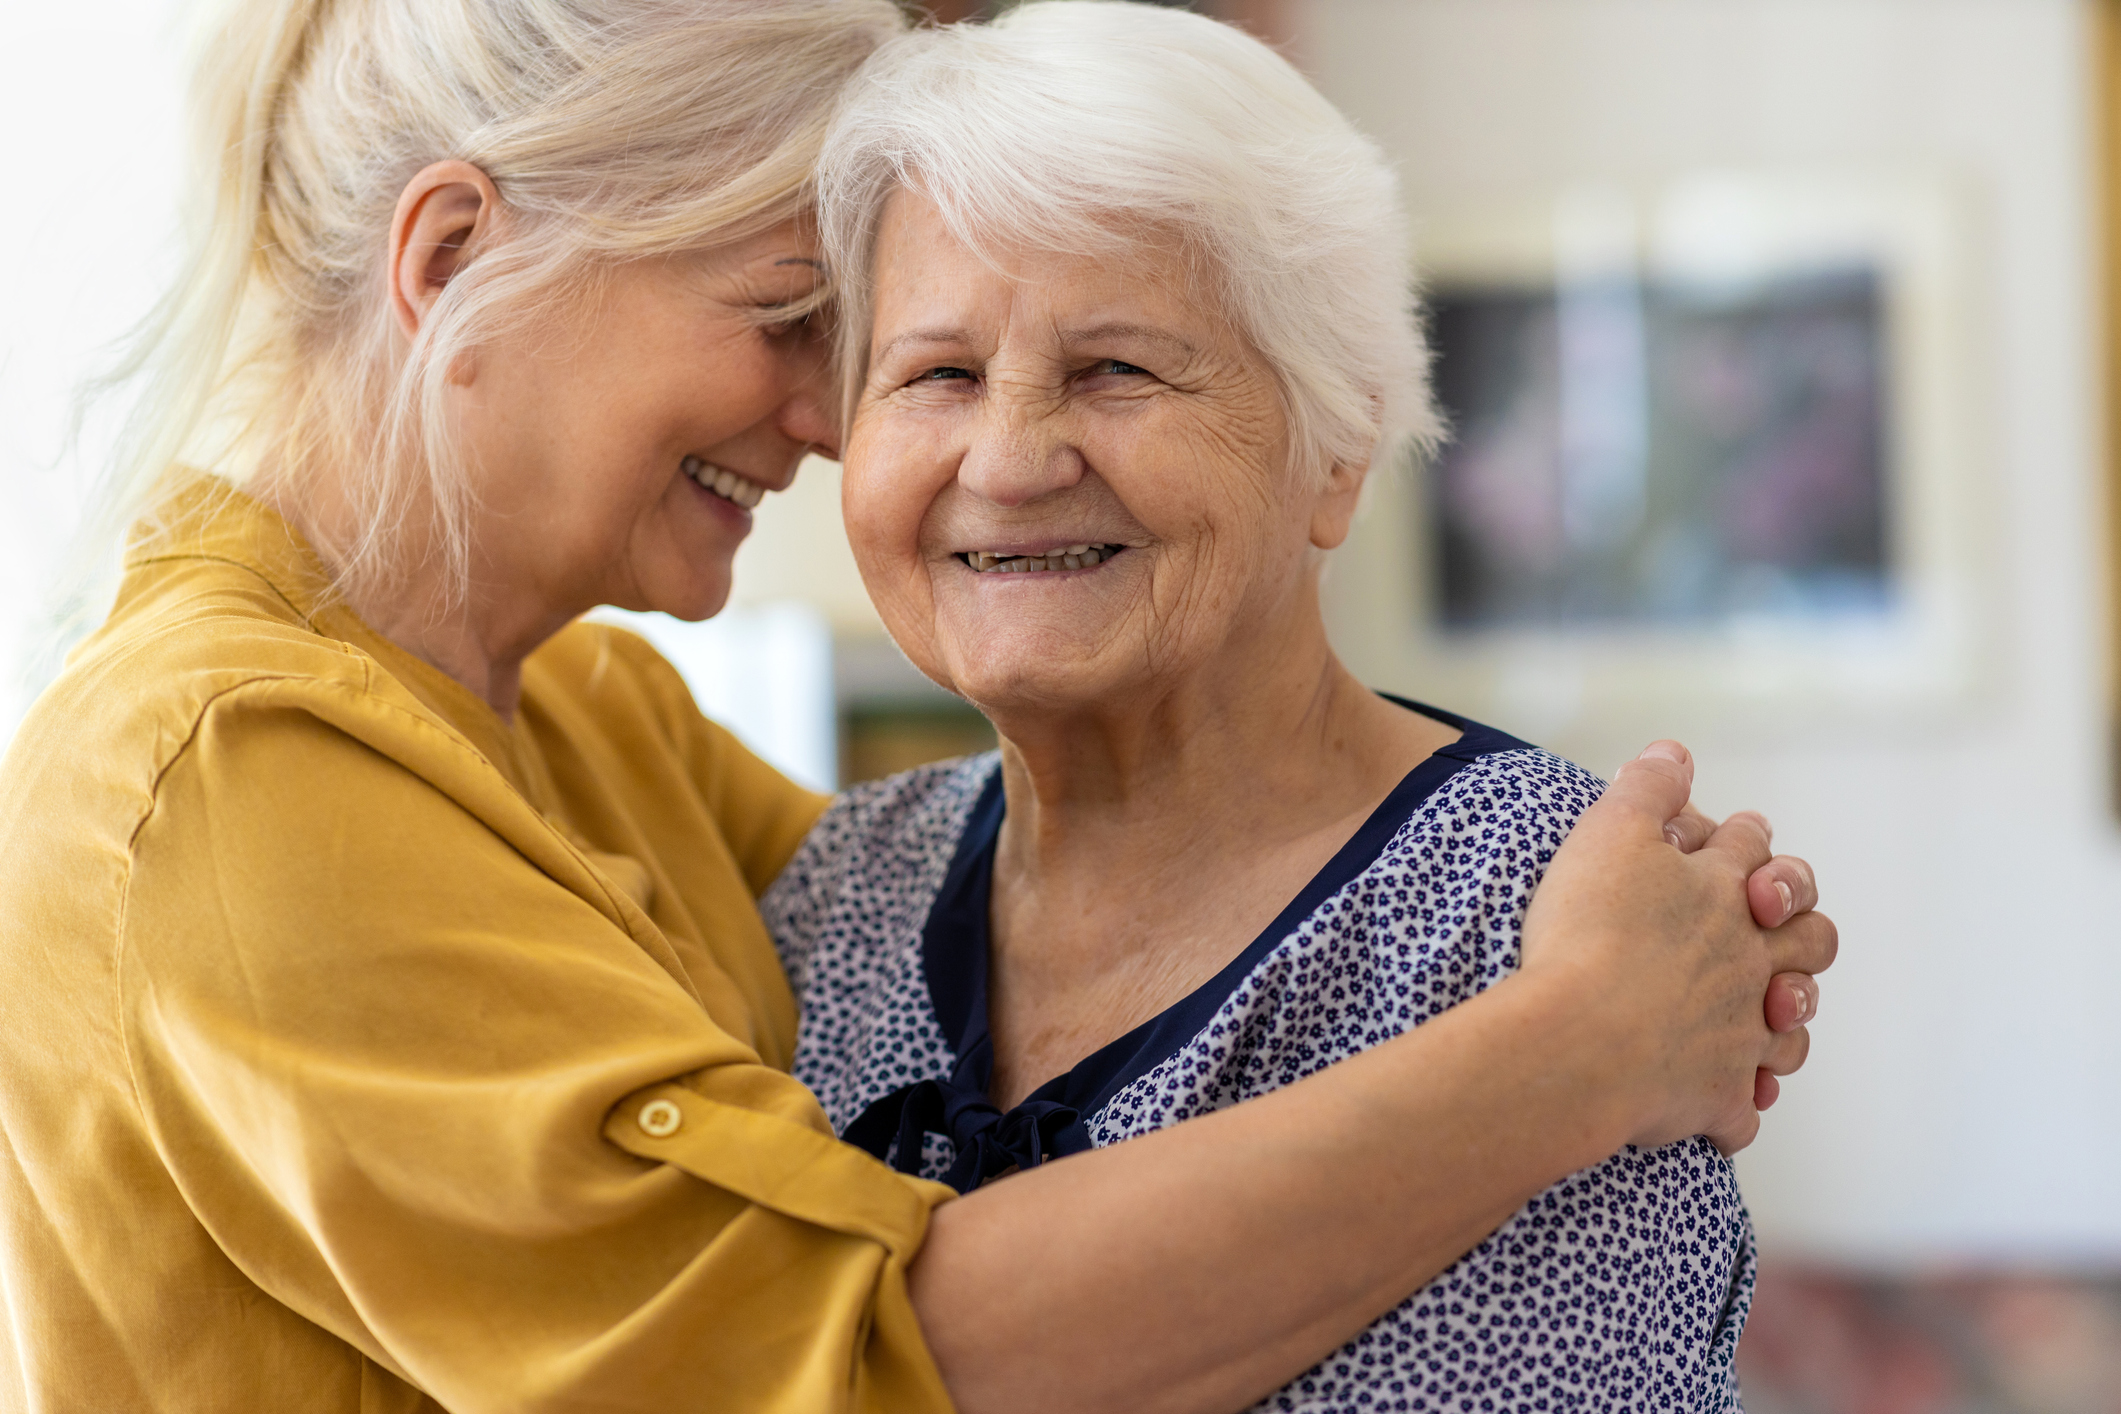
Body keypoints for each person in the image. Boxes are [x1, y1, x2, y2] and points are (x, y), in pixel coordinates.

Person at [0, 0, 1832, 1410]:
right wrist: (1572, 1044)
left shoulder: (593, 719)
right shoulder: (224, 774)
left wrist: (1637, 970)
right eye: (832, 332)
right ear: (455, 255)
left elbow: (1051, 917)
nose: (828, 416)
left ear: (1337, 448)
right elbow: (843, 1351)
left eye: (1120, 363)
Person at [770, 4, 1804, 1409]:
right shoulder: (828, 891)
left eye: (1116, 368)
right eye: (935, 372)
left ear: (1335, 446)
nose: (1006, 459)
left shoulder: (1560, 912)